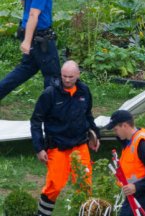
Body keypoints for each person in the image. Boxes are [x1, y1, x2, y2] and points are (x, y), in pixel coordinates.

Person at [30, 60, 101, 216]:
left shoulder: (84, 91)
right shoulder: (49, 94)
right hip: (57, 146)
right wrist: (39, 148)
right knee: (54, 185)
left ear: (78, 75)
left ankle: (83, 213)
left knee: (85, 185)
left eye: (70, 76)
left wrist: (95, 136)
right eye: (64, 76)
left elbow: (88, 115)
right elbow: (36, 120)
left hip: (80, 145)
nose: (67, 80)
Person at [0, 0, 62, 100]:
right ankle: (51, 109)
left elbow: (23, 2)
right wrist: (27, 41)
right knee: (53, 75)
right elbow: (34, 14)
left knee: (25, 69)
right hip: (40, 38)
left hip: (28, 31)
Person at [105, 110, 145, 216]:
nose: (115, 133)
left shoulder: (144, 145)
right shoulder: (128, 142)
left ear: (124, 125)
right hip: (133, 195)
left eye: (116, 129)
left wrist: (136, 186)